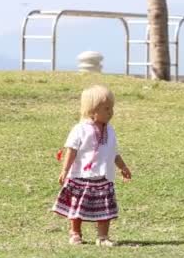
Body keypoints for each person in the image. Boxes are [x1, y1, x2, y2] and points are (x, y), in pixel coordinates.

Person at [52, 85, 131, 246]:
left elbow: (113, 152)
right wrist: (65, 170)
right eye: (106, 108)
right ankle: (75, 232)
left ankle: (103, 237)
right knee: (77, 207)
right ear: (93, 110)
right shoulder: (80, 129)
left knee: (105, 210)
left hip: (103, 177)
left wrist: (123, 167)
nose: (111, 112)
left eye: (112, 108)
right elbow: (71, 151)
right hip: (81, 176)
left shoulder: (110, 130)